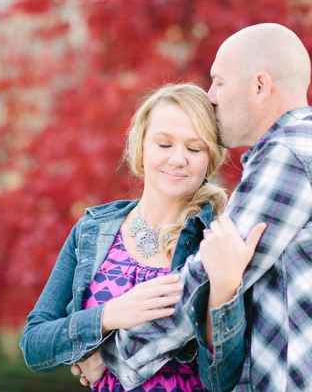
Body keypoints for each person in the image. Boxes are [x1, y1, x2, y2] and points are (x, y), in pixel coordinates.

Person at [89, 23, 312, 392]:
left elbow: (203, 281)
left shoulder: (290, 154)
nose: (210, 96)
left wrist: (110, 354)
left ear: (259, 86)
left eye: (219, 81)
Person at [20, 83, 232, 391]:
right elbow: (34, 344)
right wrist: (107, 316)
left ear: (209, 159)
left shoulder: (215, 239)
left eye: (194, 148)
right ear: (141, 147)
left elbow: (229, 366)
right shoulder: (92, 231)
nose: (177, 159)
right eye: (163, 144)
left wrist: (106, 358)